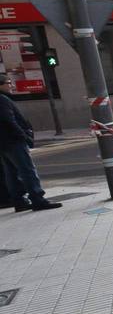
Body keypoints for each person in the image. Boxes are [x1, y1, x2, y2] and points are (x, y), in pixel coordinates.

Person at [0, 75, 60, 213]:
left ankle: (19, 201)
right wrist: (24, 136)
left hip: (4, 143)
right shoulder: (2, 100)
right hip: (13, 141)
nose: (11, 85)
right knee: (26, 170)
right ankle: (37, 199)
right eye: (8, 83)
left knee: (11, 172)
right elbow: (8, 121)